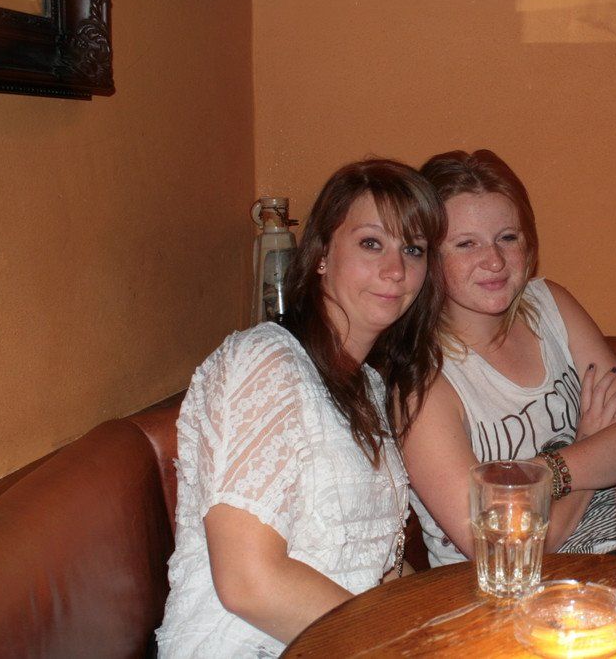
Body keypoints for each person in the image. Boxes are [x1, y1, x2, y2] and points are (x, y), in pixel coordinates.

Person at [156, 159, 446, 657]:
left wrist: (442, 624)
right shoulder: (263, 360)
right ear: (322, 255)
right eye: (371, 243)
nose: (396, 270)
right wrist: (404, 645)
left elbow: (373, 564)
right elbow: (249, 582)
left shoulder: (369, 386)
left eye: (413, 249)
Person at [403, 149, 616, 567]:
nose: (494, 260)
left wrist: (539, 474)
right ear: (429, 257)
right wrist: (589, 451)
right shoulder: (421, 385)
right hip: (505, 592)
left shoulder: (550, 304)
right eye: (466, 244)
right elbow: (507, 553)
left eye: (508, 237)